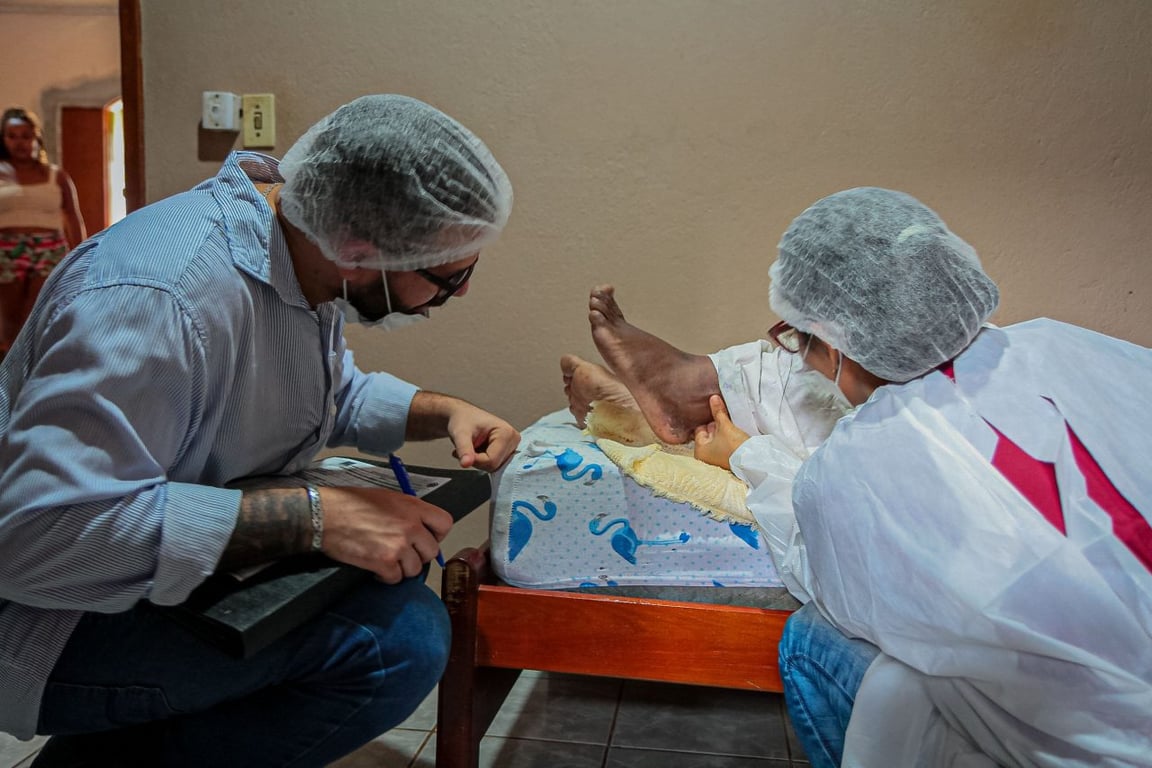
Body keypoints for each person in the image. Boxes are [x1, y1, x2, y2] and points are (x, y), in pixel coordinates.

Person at [0, 94, 517, 767]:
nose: (463, 292)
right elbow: (39, 540)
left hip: (145, 584)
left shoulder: (302, 244)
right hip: (46, 620)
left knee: (388, 578)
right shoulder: (156, 300)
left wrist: (440, 410)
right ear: (359, 251)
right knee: (400, 643)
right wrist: (310, 516)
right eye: (449, 276)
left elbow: (317, 391)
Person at [688, 188, 1152, 766]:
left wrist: (752, 456)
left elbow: (831, 579)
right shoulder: (1074, 344)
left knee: (810, 638)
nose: (801, 359)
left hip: (1113, 745)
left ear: (835, 344)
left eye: (798, 341)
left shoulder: (860, 463)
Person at [0, 106, 86, 356]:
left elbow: (72, 216)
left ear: (36, 138)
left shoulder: (55, 175)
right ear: (3, 139)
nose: (20, 143)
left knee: (37, 312)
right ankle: (9, 376)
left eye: (26, 136)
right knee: (10, 317)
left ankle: (34, 369)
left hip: (48, 247)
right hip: (7, 248)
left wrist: (79, 253)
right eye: (12, 136)